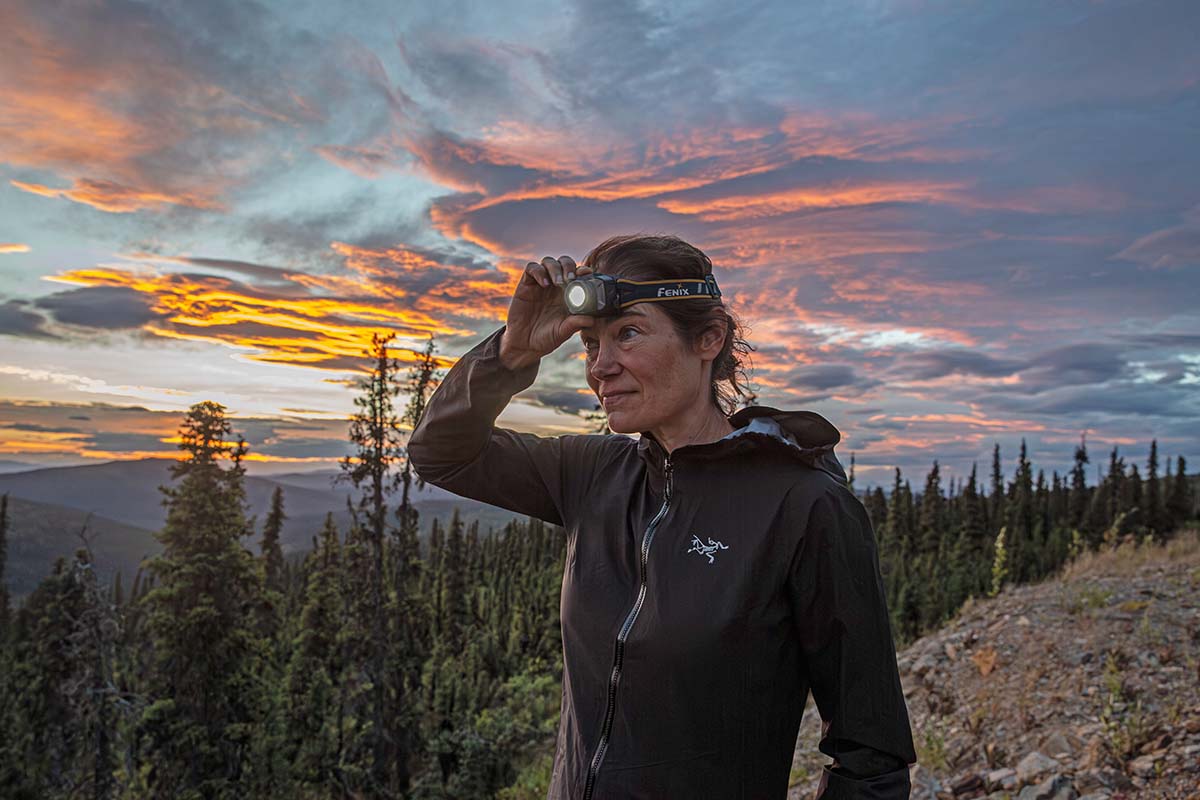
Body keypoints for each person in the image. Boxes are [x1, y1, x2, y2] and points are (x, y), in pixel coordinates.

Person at [407, 234, 917, 799]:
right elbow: (441, 453)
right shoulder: (593, 474)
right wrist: (513, 352)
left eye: (628, 333)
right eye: (591, 344)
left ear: (708, 338)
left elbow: (871, 754)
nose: (601, 367)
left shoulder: (803, 505)